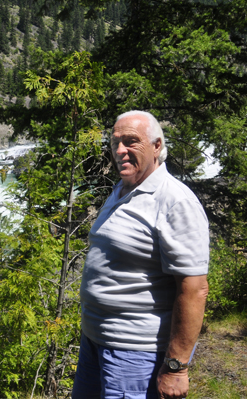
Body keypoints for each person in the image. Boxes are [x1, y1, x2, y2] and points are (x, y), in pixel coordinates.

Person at [71, 111, 209, 399]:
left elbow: (194, 289)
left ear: (157, 146)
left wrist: (175, 368)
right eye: (115, 142)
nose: (120, 150)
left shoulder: (175, 200)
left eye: (131, 142)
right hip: (95, 342)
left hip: (135, 353)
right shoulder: (121, 189)